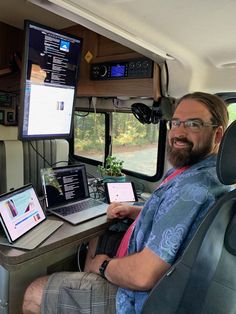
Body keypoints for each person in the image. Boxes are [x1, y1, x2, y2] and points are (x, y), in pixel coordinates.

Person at [22, 92, 231, 314]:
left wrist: (102, 266)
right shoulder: (209, 175)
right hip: (157, 276)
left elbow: (143, 276)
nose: (178, 132)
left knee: (34, 292)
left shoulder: (192, 190)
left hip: (135, 300)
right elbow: (173, 223)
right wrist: (134, 211)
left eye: (193, 124)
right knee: (97, 238)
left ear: (217, 135)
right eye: (176, 122)